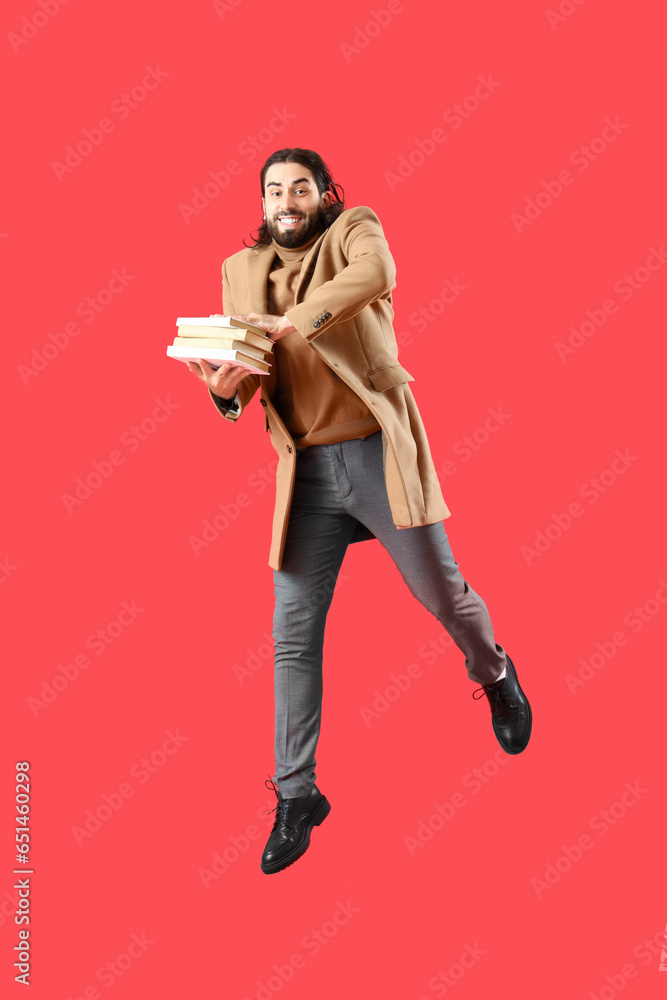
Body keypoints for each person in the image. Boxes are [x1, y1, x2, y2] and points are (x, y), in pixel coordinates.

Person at [185, 148, 531, 875]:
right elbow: (247, 378)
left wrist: (288, 323)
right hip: (305, 471)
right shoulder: (238, 270)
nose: (286, 198)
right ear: (261, 200)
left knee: (443, 595)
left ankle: (495, 673)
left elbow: (376, 277)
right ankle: (295, 793)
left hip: (376, 452)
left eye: (299, 187)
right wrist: (221, 387)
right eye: (274, 189)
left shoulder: (354, 233)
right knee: (292, 636)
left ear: (322, 194)